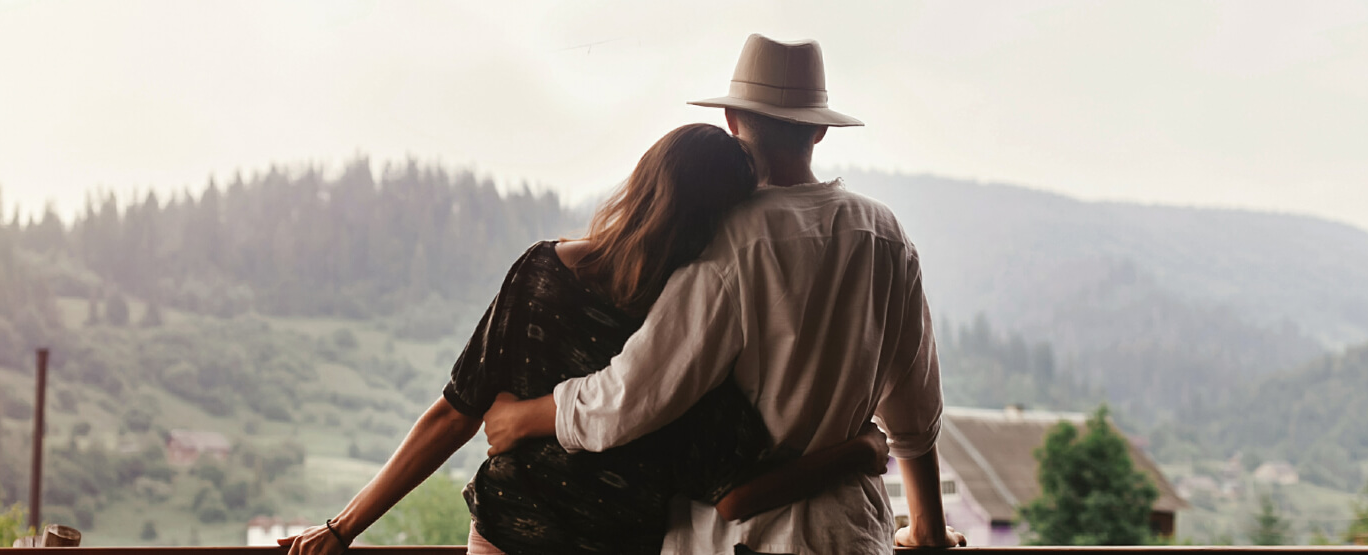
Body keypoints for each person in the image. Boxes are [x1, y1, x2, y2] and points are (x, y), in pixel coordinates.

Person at [280, 123, 890, 555]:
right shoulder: (692, 330)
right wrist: (859, 452)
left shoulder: (545, 275)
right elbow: (736, 494)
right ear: (726, 220)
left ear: (647, 181)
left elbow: (455, 412)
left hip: (503, 537)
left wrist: (343, 528)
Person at [483, 34, 967, 554]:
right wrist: (928, 533)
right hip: (849, 537)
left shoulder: (725, 242)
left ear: (734, 124)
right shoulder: (885, 235)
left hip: (734, 541)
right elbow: (915, 416)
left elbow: (632, 398)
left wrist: (525, 416)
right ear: (821, 130)